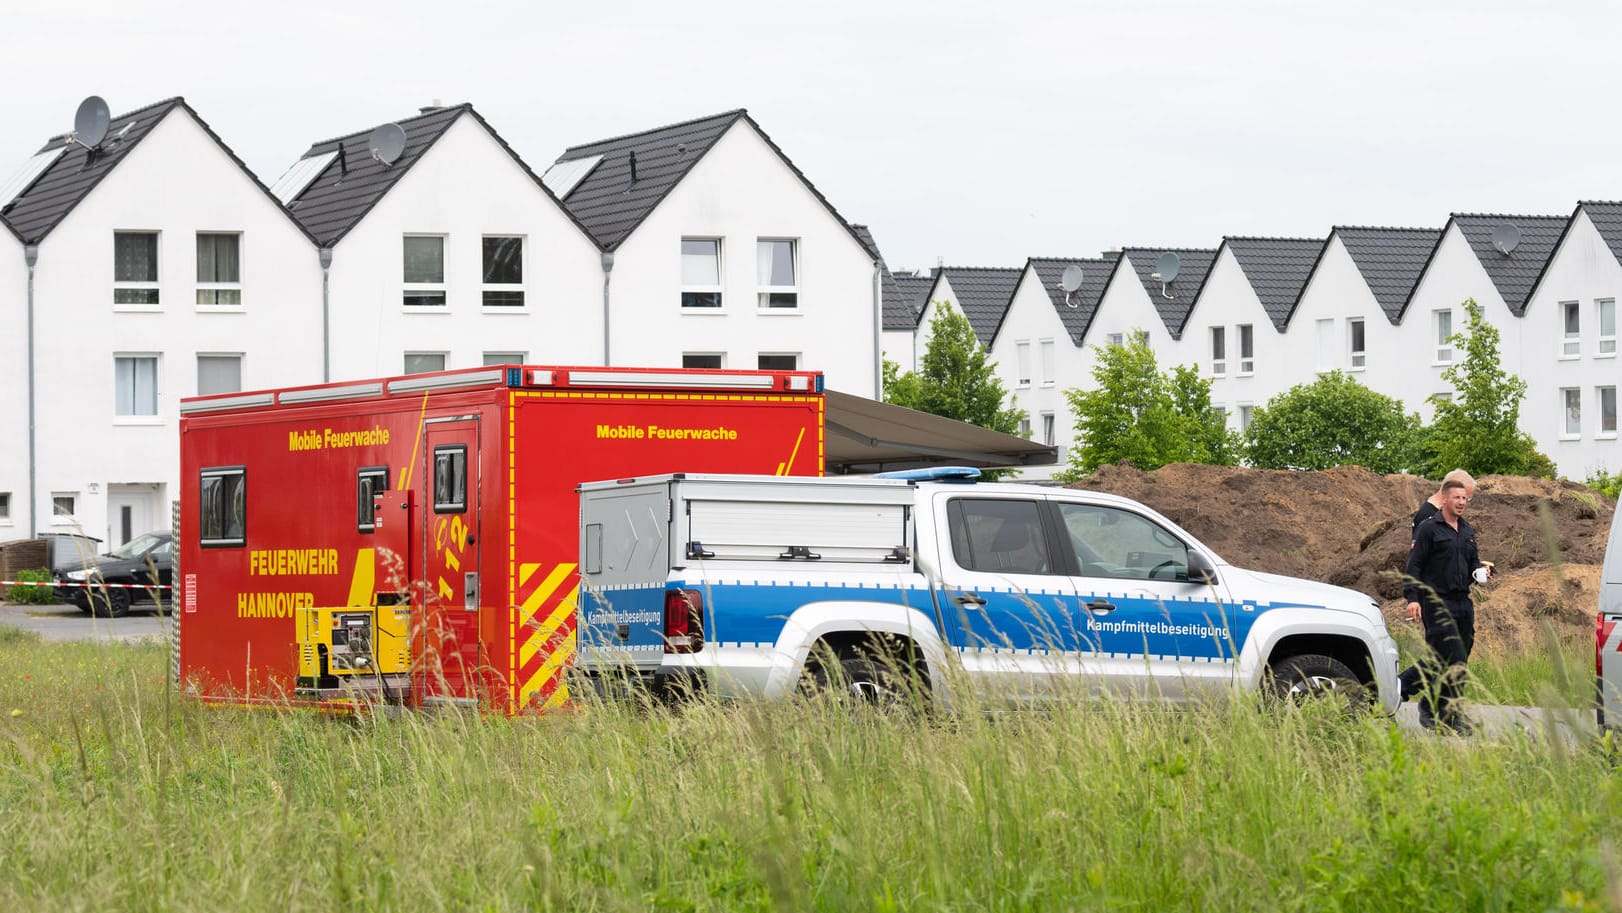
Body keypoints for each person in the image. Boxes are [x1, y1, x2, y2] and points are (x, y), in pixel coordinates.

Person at [1402, 477, 1488, 733]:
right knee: (1454, 659)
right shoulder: (1429, 528)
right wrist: (1413, 598)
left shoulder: (1467, 529)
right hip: (1437, 602)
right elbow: (1414, 565)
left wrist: (1480, 572)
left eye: (1465, 498)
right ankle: (1449, 715)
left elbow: (1473, 561)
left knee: (1445, 660)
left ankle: (1414, 698)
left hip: (1463, 604)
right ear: (1445, 499)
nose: (1462, 502)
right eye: (1457, 498)